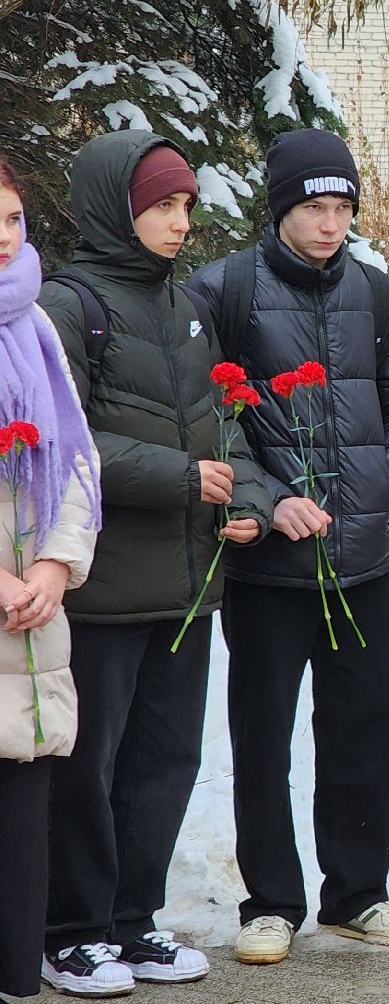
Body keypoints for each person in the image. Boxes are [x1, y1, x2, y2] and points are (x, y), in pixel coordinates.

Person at [182, 129, 389, 964]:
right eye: (315, 208)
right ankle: (271, 903)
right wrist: (269, 498)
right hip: (267, 562)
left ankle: (357, 895)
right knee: (263, 734)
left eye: (343, 209)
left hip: (362, 556)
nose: (331, 225)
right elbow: (210, 416)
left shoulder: (373, 290)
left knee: (369, 724)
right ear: (281, 207)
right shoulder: (224, 289)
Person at [37, 130, 272, 996]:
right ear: (115, 208)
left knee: (164, 764)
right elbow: (59, 441)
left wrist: (246, 501)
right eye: (162, 206)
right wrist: (179, 478)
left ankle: (134, 921)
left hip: (185, 586)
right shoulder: (67, 306)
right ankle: (72, 933)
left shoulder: (185, 307)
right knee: (86, 769)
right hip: (99, 587)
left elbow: (227, 426)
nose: (180, 222)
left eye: (185, 206)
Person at [0, 156, 101, 1001]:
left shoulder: (34, 325)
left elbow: (76, 460)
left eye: (12, 220)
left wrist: (57, 564)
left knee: (23, 809)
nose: (4, 239)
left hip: (32, 616)